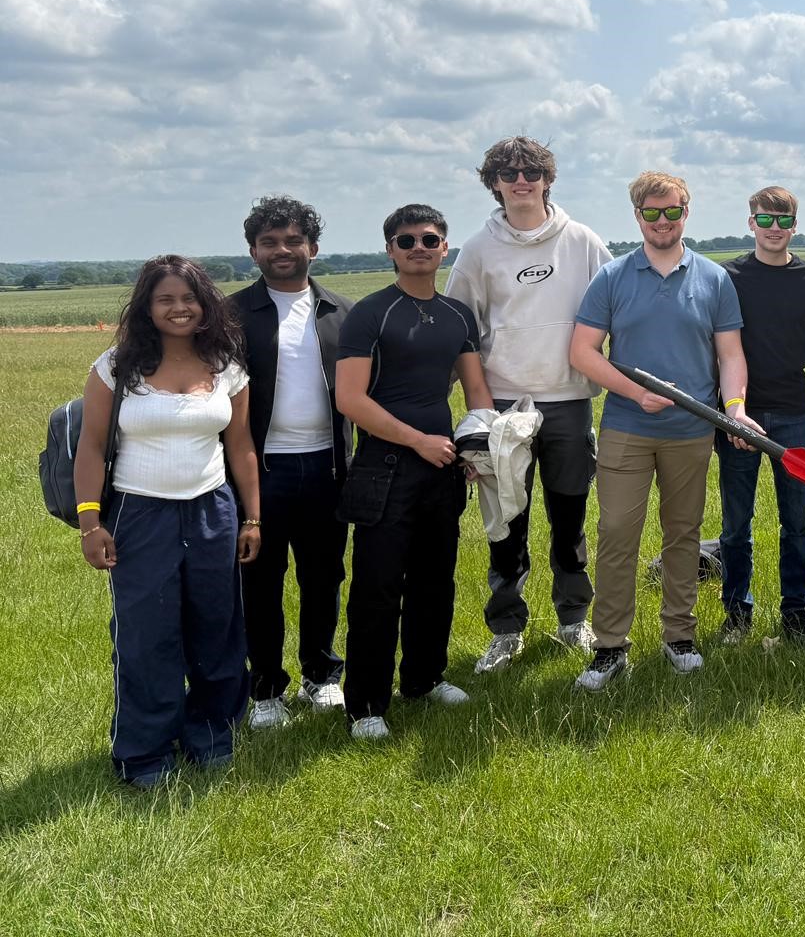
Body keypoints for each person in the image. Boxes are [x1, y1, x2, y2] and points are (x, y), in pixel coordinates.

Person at [74, 255, 259, 788]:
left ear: (205, 305)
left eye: (188, 298)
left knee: (217, 628)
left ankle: (210, 735)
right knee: (146, 635)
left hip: (213, 511)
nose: (178, 308)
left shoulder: (227, 366)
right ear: (146, 307)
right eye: (165, 299)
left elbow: (241, 446)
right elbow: (90, 446)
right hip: (140, 513)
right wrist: (91, 523)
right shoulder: (116, 367)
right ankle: (144, 753)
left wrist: (253, 518)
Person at [568, 172, 757, 689]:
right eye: (652, 213)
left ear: (685, 213)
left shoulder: (714, 279)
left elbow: (730, 353)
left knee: (683, 535)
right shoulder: (612, 277)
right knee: (617, 536)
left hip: (691, 431)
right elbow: (583, 352)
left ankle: (680, 637)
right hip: (626, 428)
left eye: (671, 211)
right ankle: (609, 648)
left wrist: (735, 407)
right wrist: (634, 393)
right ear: (637, 217)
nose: (662, 221)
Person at [444, 137, 612, 674]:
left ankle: (572, 619)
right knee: (505, 522)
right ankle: (507, 628)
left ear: (547, 180)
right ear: (493, 183)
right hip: (502, 407)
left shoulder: (583, 241)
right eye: (509, 173)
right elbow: (459, 329)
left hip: (567, 402)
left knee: (570, 519)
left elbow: (616, 308)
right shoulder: (476, 251)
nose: (521, 181)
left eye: (531, 172)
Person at [336, 204, 494, 739]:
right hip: (384, 467)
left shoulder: (456, 316)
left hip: (442, 467)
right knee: (377, 588)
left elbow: (476, 393)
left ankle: (425, 679)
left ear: (444, 247)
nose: (419, 247)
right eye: (406, 241)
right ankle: (365, 705)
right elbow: (350, 399)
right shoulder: (371, 314)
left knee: (435, 581)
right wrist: (418, 441)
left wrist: (477, 448)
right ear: (391, 250)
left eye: (430, 239)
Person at [230, 197, 354, 730]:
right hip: (261, 471)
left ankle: (321, 675)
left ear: (313, 248)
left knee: (324, 577)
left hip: (327, 468)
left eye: (293, 240)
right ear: (253, 251)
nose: (282, 250)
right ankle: (265, 690)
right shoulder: (230, 315)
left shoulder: (342, 312)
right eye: (270, 242)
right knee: (259, 582)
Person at [715, 186, 805, 644]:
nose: (775, 229)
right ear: (752, 224)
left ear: (795, 226)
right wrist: (732, 413)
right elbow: (721, 348)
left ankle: (796, 613)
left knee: (797, 522)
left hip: (792, 413)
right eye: (766, 221)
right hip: (738, 415)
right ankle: (737, 615)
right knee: (735, 523)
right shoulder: (730, 277)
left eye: (783, 221)